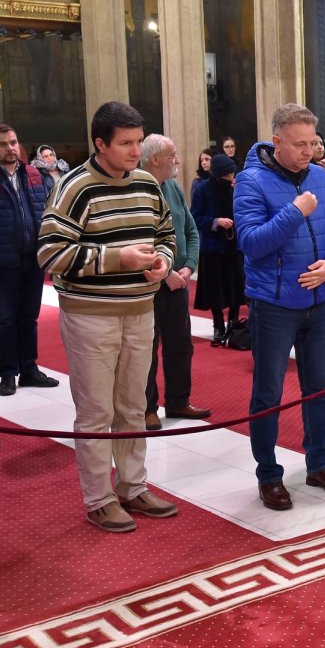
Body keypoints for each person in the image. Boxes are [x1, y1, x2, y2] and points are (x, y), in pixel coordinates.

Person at [38, 101, 180, 533]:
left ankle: (133, 486)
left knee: (134, 407)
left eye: (138, 141)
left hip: (140, 310)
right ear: (100, 144)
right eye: (125, 144)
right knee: (96, 411)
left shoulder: (146, 184)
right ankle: (99, 498)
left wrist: (162, 261)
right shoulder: (74, 187)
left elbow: (166, 234)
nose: (135, 152)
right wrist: (116, 257)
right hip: (91, 315)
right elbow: (50, 254)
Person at [235, 104, 325, 511]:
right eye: (300, 144)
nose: (309, 151)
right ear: (277, 141)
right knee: (268, 393)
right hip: (274, 304)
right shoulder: (250, 181)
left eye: (313, 143)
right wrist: (294, 211)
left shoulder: (319, 175)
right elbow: (251, 243)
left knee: (320, 388)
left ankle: (318, 462)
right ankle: (268, 474)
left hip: (319, 301)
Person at [0, 123, 59, 395]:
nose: (11, 148)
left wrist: (48, 251)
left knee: (29, 317)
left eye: (14, 142)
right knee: (5, 319)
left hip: (32, 258)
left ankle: (29, 368)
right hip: (2, 261)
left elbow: (45, 215)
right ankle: (8, 373)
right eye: (3, 144)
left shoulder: (33, 174)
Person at [139, 135, 210, 430]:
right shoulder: (138, 189)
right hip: (150, 285)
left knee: (181, 345)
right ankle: (147, 408)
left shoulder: (173, 188)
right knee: (147, 349)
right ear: (156, 159)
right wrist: (166, 273)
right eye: (172, 154)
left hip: (178, 281)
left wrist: (188, 267)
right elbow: (140, 240)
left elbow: (191, 230)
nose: (177, 160)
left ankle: (179, 401)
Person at [190, 153, 245, 346]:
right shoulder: (203, 189)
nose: (232, 175)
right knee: (215, 290)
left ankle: (234, 323)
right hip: (213, 248)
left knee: (236, 288)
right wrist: (216, 222)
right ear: (221, 173)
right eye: (229, 172)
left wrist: (240, 192)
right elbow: (195, 217)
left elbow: (248, 211)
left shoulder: (237, 188)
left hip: (235, 247)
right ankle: (218, 327)